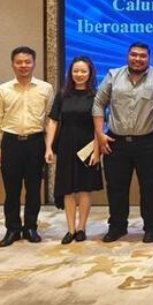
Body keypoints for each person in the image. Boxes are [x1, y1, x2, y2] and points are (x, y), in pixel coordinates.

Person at [93, 42, 153, 243]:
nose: (138, 59)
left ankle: (151, 227)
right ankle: (117, 226)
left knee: (151, 187)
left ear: (149, 58)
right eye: (134, 55)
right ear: (128, 56)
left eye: (142, 56)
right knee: (116, 187)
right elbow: (98, 104)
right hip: (116, 142)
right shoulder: (113, 76)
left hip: (150, 143)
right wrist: (100, 134)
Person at [0, 46, 54, 247]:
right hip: (10, 143)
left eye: (27, 62)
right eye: (19, 62)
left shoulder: (45, 88)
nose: (23, 65)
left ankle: (31, 227)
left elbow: (50, 120)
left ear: (34, 63)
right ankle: (12, 229)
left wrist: (49, 147)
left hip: (35, 142)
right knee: (12, 190)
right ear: (13, 64)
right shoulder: (3, 89)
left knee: (34, 189)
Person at [44, 56, 104, 245]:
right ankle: (70, 229)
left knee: (85, 189)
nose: (79, 74)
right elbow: (53, 121)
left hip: (87, 146)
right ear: (70, 73)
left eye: (83, 71)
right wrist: (48, 147)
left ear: (90, 73)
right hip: (66, 144)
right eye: (75, 71)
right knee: (67, 189)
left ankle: (81, 228)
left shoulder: (96, 96)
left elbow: (99, 126)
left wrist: (97, 151)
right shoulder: (63, 95)